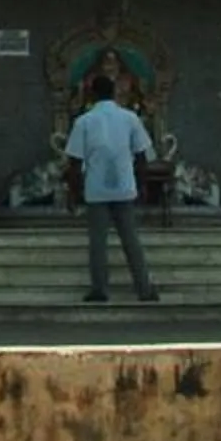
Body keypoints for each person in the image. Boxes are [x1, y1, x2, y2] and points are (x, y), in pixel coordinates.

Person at [64, 73, 159, 304]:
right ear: (114, 92)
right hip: (124, 186)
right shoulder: (130, 118)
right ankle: (144, 289)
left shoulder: (84, 121)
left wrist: (73, 192)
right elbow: (142, 155)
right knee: (131, 240)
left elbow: (75, 162)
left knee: (98, 242)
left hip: (96, 188)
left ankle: (100, 289)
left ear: (92, 94)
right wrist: (143, 184)